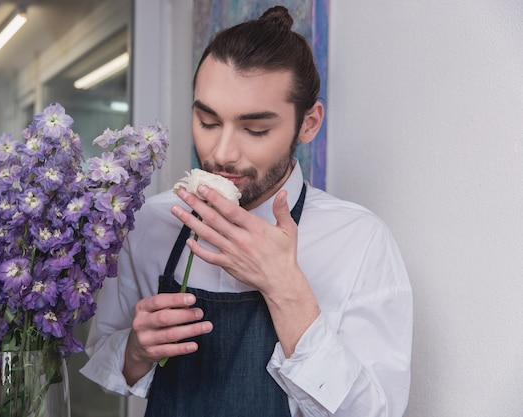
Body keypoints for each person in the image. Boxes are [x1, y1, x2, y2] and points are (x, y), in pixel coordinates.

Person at [81, 6, 412, 417]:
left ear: (308, 124)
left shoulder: (359, 241)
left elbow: (375, 412)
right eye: (207, 121)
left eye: (255, 130)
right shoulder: (152, 221)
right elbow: (104, 356)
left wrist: (285, 289)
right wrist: (136, 349)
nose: (221, 153)